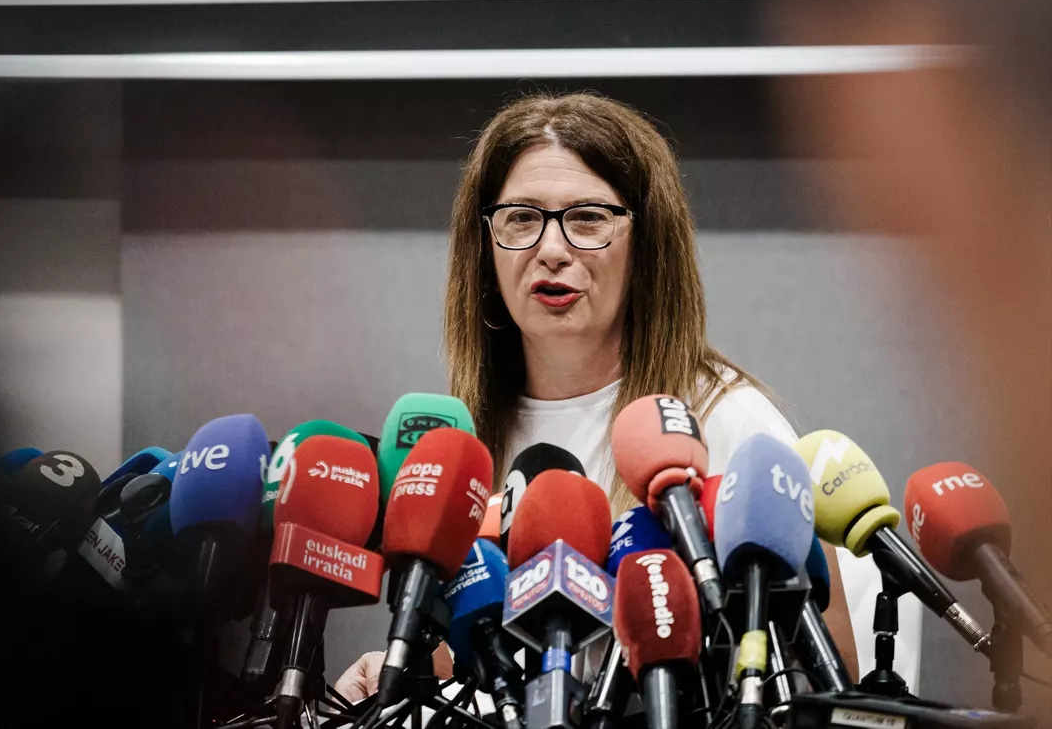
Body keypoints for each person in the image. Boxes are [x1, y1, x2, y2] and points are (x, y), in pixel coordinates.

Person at [339, 92, 888, 700]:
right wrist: (418, 675)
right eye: (521, 217)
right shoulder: (461, 450)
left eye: (589, 218)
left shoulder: (726, 424)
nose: (551, 249)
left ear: (647, 244)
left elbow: (827, 687)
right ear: (485, 243)